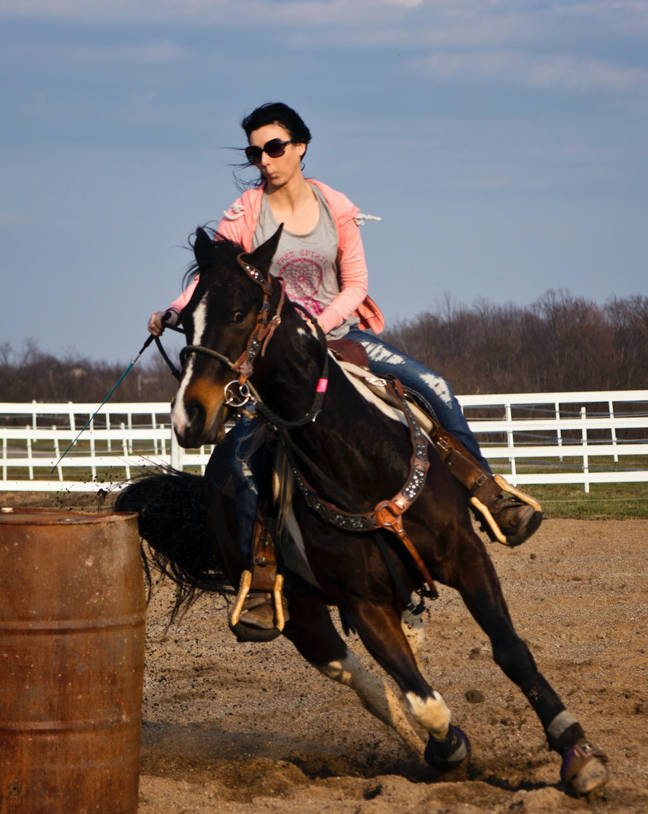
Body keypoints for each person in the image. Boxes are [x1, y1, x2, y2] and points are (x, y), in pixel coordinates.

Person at [149, 102, 541, 591]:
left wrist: (319, 324)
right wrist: (172, 311)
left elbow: (355, 284)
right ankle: (261, 574)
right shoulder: (245, 214)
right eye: (255, 153)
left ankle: (490, 494)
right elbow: (217, 281)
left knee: (435, 385)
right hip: (274, 357)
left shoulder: (336, 207)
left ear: (300, 147)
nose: (265, 161)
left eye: (274, 148)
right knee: (237, 459)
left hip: (340, 336)